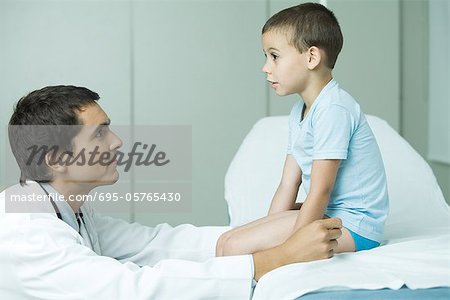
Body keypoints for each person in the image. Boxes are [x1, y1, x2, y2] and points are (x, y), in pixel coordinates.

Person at [0, 85, 342, 299]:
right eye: (100, 134)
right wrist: (277, 258)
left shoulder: (68, 209)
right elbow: (134, 291)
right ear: (57, 160)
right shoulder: (28, 233)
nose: (117, 142)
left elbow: (157, 244)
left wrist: (266, 231)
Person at [216, 3, 389, 257]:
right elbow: (288, 183)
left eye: (274, 56)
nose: (266, 67)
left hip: (356, 226)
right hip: (331, 212)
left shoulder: (334, 109)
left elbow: (320, 190)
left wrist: (288, 250)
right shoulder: (300, 111)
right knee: (226, 241)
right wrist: (267, 232)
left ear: (311, 58)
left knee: (233, 249)